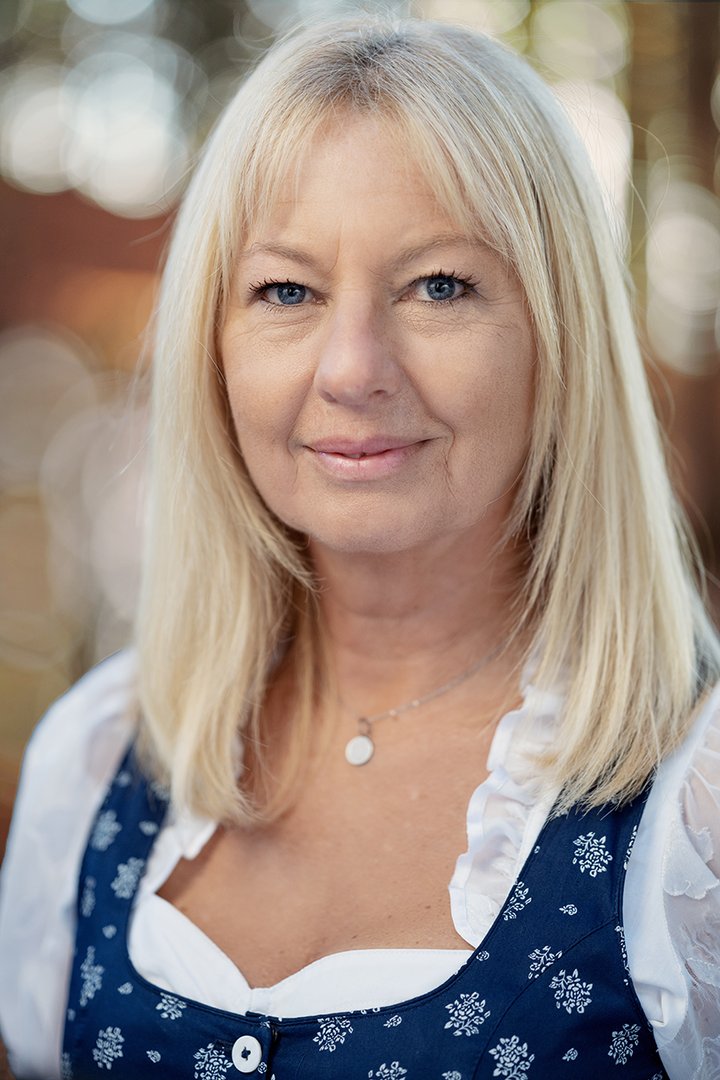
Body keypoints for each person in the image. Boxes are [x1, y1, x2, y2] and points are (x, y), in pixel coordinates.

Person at [1, 15, 719, 1080]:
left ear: (558, 337)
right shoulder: (98, 763)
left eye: (439, 285)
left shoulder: (693, 798)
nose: (352, 368)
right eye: (286, 290)